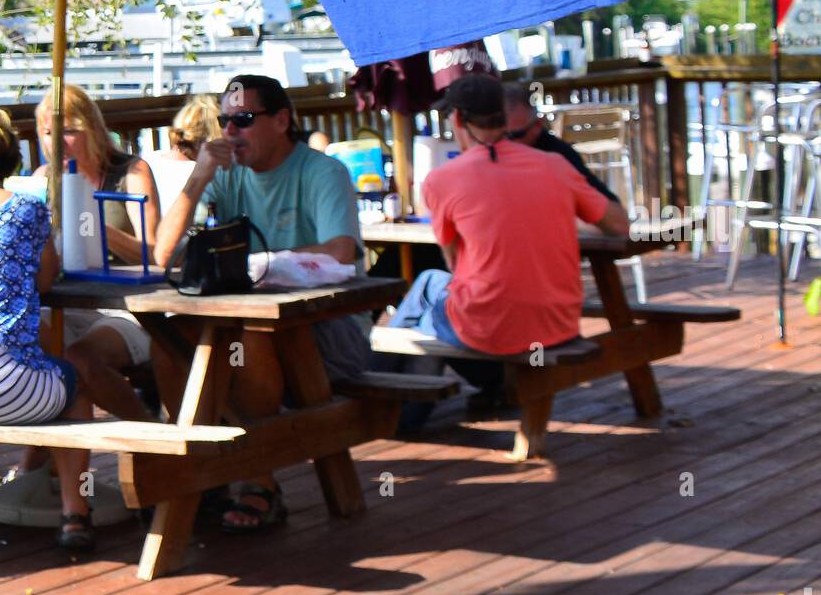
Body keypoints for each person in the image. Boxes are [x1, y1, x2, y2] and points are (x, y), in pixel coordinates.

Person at [154, 74, 367, 532]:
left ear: (282, 120)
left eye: (244, 120)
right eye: (225, 120)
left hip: (332, 331)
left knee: (248, 341)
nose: (230, 132)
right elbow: (163, 254)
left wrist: (262, 262)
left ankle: (259, 482)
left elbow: (341, 251)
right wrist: (199, 176)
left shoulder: (322, 172)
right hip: (251, 326)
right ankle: (202, 474)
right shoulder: (225, 175)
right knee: (170, 341)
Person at [383, 75, 631, 366]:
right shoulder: (556, 165)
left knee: (424, 314)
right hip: (558, 324)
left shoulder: (442, 180)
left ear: (458, 119)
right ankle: (471, 390)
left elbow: (453, 263)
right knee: (429, 292)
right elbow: (619, 224)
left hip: (489, 327)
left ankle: (387, 398)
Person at [0, 108, 95, 551]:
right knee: (79, 389)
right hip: (8, 385)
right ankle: (76, 513)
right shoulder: (24, 209)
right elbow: (46, 280)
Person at [31, 86, 161, 424]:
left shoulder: (131, 172)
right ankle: (53, 462)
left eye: (69, 132)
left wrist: (94, 227)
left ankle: (150, 437)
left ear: (93, 129)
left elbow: (155, 253)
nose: (56, 143)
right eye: (48, 133)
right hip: (68, 303)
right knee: (26, 341)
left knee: (79, 358)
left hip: (130, 305)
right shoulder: (43, 180)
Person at [502, 83, 620, 202]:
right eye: (500, 137)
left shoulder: (560, 158)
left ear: (538, 125)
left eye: (515, 136)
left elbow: (612, 209)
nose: (505, 144)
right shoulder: (490, 155)